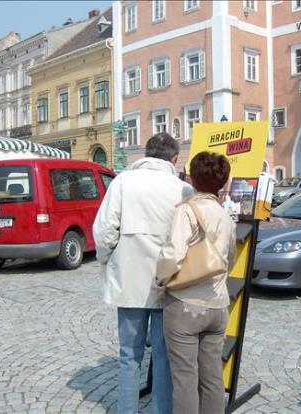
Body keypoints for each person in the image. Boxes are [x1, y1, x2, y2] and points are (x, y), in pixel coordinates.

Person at [93, 132, 192, 414]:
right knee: (163, 356)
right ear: (174, 159)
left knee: (128, 354)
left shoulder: (123, 181)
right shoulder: (181, 188)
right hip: (169, 281)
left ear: (146, 155)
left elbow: (104, 231)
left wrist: (107, 261)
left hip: (129, 279)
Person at [156, 151, 237, 414]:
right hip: (217, 305)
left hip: (185, 305)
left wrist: (161, 280)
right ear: (223, 182)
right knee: (213, 378)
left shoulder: (187, 211)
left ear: (192, 178)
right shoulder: (226, 216)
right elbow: (230, 258)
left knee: (185, 379)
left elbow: (172, 255)